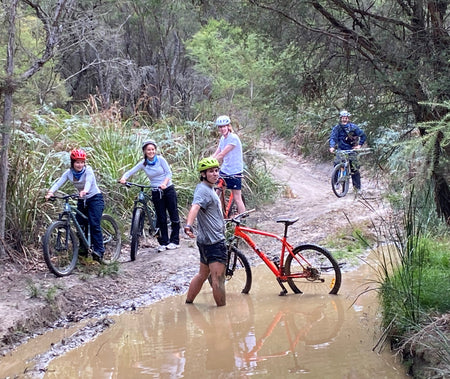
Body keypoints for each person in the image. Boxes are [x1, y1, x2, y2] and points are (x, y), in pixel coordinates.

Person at [119, 140, 180, 252]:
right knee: (161, 217)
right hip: (156, 191)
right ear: (144, 151)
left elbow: (168, 173)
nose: (151, 151)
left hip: (167, 189)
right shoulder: (143, 163)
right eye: (148, 150)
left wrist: (164, 183)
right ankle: (164, 242)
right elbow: (131, 171)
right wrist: (124, 178)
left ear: (155, 150)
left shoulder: (161, 160)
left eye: (152, 149)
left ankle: (175, 241)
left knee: (173, 214)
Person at [45, 149, 105, 261]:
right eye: (77, 162)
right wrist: (50, 192)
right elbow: (58, 182)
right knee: (80, 225)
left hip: (95, 198)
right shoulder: (69, 173)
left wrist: (85, 191)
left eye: (82, 162)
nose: (80, 165)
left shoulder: (88, 170)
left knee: (94, 224)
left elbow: (89, 181)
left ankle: (99, 251)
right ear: (72, 163)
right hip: (82, 199)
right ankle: (83, 250)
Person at [184, 157, 227, 306]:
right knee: (218, 279)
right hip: (214, 242)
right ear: (203, 174)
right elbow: (195, 206)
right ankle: (222, 313)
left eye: (216, 171)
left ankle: (189, 303)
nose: (215, 174)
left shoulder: (207, 188)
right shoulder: (203, 190)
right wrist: (188, 225)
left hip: (204, 241)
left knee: (202, 274)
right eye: (210, 171)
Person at [212, 115, 245, 214]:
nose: (222, 129)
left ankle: (243, 219)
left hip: (235, 171)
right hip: (225, 170)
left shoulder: (233, 138)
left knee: (237, 197)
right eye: (220, 127)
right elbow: (217, 152)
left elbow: (222, 154)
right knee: (217, 191)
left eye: (224, 126)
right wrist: (207, 161)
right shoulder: (223, 138)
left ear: (228, 126)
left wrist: (210, 163)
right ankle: (221, 213)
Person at [329, 110, 367, 192]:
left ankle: (357, 188)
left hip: (351, 150)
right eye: (343, 118)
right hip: (340, 150)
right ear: (340, 118)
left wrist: (359, 145)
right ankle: (336, 183)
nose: (344, 119)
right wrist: (332, 146)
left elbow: (363, 135)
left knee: (354, 168)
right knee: (336, 164)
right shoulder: (337, 128)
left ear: (348, 118)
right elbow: (333, 137)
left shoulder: (353, 127)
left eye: (346, 118)